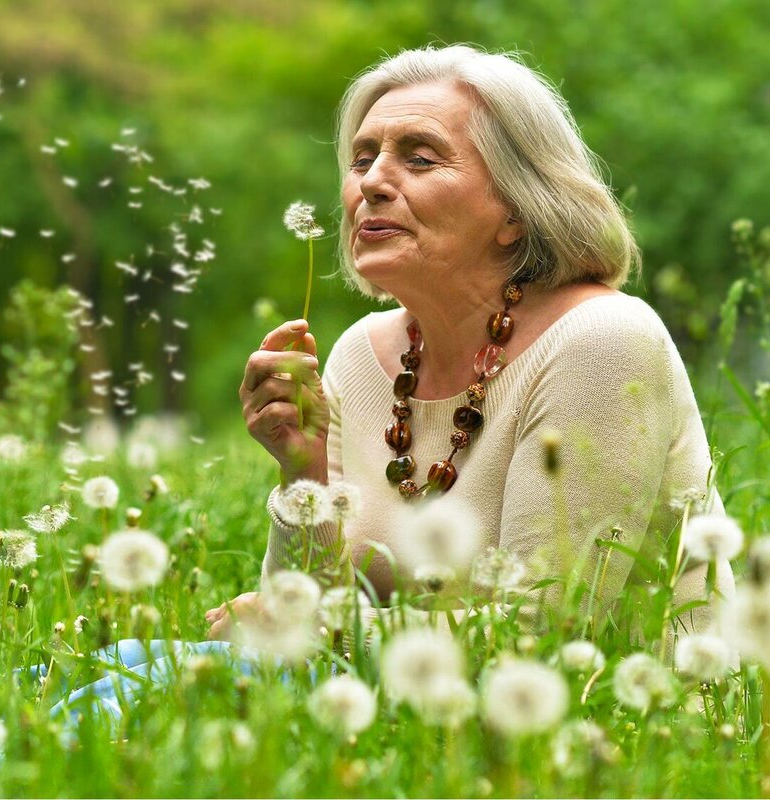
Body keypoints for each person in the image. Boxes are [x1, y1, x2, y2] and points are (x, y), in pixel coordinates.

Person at [208, 43, 734, 640]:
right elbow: (299, 623)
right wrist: (302, 475)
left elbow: (545, 633)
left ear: (517, 207)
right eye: (361, 159)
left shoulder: (602, 341)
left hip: (622, 724)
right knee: (120, 670)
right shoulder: (360, 356)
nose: (372, 182)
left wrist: (303, 629)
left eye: (421, 159)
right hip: (393, 727)